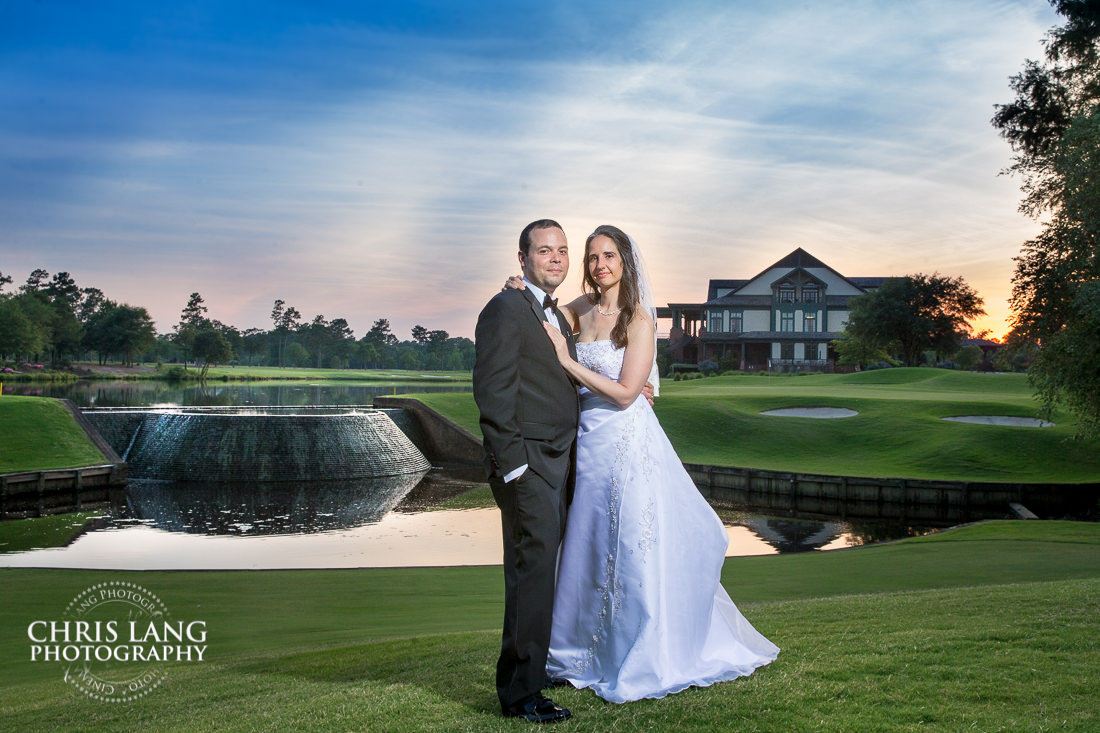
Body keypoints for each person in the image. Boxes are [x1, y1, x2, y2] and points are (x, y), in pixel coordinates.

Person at [510, 224, 779, 703]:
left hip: (625, 441)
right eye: (592, 257)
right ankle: (577, 651)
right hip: (586, 444)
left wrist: (568, 363)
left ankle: (638, 651)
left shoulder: (637, 318)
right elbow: (543, 309)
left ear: (625, 261)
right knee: (587, 546)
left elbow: (628, 392)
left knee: (631, 540)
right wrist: (518, 288)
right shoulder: (580, 309)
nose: (599, 266)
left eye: (609, 256)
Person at [472, 219, 578, 723]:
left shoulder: (550, 312)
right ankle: (520, 695)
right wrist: (514, 467)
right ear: (522, 258)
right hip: (529, 466)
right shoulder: (505, 309)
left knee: (543, 572)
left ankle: (535, 669)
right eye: (544, 250)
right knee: (530, 574)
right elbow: (493, 393)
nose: (555, 258)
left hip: (559, 461)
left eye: (561, 251)